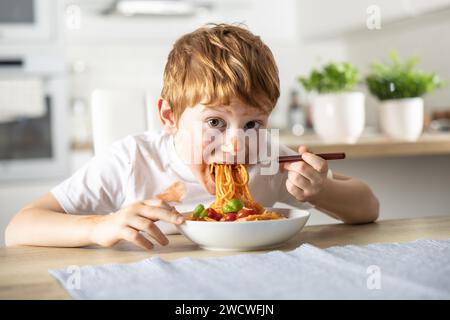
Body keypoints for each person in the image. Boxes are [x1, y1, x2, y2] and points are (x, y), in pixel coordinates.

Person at [5, 24, 379, 250]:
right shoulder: (133, 160)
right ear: (169, 116)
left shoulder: (267, 157)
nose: (236, 145)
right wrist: (98, 226)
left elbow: (367, 208)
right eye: (215, 122)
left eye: (253, 124)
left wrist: (322, 190)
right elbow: (20, 227)